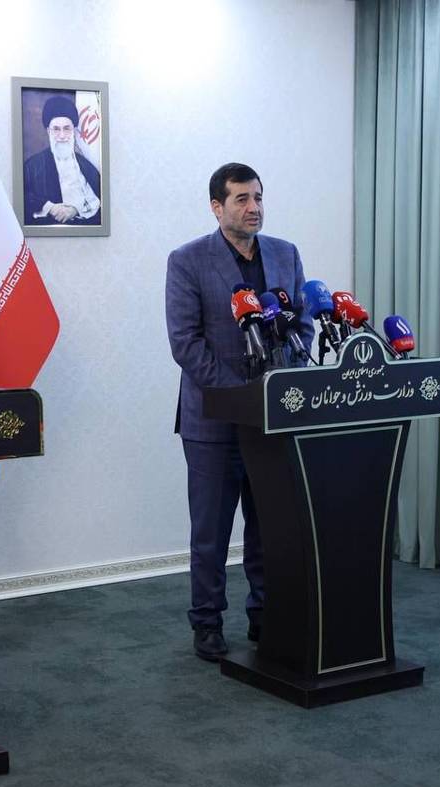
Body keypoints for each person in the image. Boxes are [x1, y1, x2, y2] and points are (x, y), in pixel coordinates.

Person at [164, 162, 311, 661]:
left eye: (258, 197)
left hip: (274, 418)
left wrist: (280, 386)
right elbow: (186, 344)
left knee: (269, 526)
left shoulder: (286, 254)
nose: (254, 208)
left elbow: (303, 325)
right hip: (215, 420)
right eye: (242, 199)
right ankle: (206, 623)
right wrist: (243, 396)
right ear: (217, 207)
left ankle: (265, 614)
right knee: (211, 533)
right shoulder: (187, 260)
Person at [23, 96, 101, 225]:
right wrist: (50, 207)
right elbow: (23, 197)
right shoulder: (31, 167)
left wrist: (76, 210)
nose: (62, 136)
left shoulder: (87, 167)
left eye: (66, 128)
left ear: (74, 131)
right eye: (56, 129)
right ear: (48, 131)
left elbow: (99, 200)